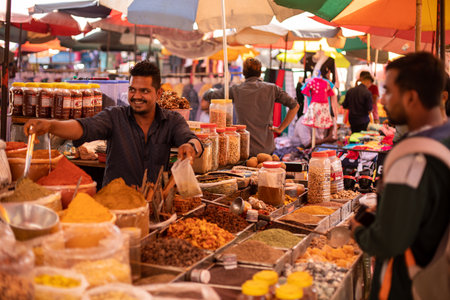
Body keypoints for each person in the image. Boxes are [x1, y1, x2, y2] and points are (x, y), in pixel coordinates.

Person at [350, 52, 450, 300]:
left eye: (389, 91)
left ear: (411, 97)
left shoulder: (411, 158)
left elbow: (388, 241)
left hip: (406, 286)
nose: (382, 99)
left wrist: (358, 232)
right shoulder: (445, 137)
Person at [24, 61, 202, 187]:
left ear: (159, 93)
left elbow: (194, 141)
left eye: (144, 91)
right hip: (115, 205)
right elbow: (83, 127)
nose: (136, 96)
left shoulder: (172, 120)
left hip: (153, 204)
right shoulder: (115, 117)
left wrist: (189, 147)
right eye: (132, 90)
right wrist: (50, 125)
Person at [203, 57, 299, 156]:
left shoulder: (236, 90)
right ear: (260, 72)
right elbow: (295, 106)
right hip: (266, 149)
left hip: (243, 149)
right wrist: (280, 128)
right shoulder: (272, 89)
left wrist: (211, 90)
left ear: (243, 73)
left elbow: (207, 95)